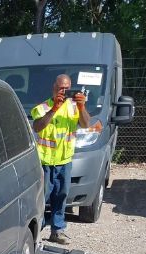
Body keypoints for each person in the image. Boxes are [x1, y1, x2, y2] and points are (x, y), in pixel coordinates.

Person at [31, 74, 91, 245]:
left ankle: (57, 231)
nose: (64, 91)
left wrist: (81, 106)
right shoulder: (42, 108)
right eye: (61, 88)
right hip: (45, 162)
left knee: (61, 197)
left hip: (64, 161)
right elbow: (37, 126)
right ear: (54, 88)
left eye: (67, 88)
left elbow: (86, 124)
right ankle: (35, 232)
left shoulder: (74, 107)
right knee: (41, 199)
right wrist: (54, 109)